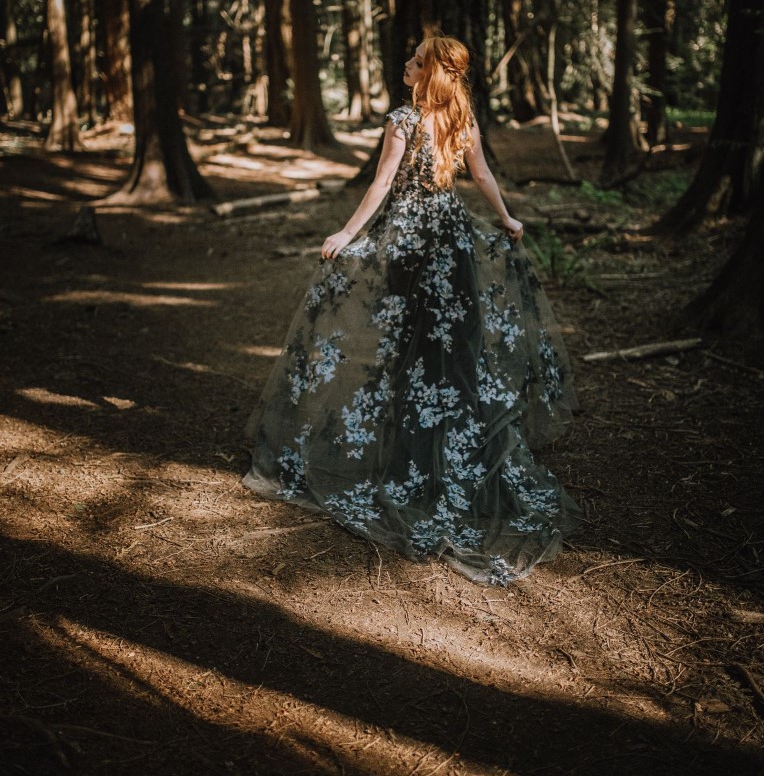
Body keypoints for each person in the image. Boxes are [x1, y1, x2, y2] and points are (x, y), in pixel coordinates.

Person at [244, 36, 581, 586]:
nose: (404, 63)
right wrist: (507, 218)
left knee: (413, 355)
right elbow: (483, 178)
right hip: (451, 245)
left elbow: (382, 184)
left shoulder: (403, 120)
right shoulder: (461, 121)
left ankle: (412, 468)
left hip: (410, 245)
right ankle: (438, 465)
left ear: (431, 72)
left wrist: (348, 231)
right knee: (451, 359)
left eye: (414, 59)